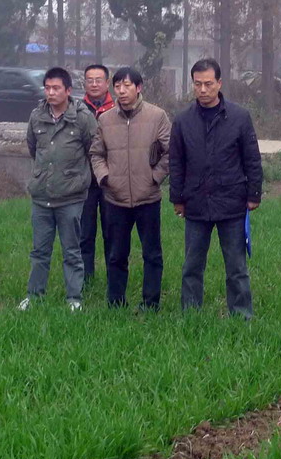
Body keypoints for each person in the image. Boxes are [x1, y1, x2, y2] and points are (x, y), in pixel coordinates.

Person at [169, 58, 263, 319]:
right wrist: (177, 198)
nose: (203, 89)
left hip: (232, 202)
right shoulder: (183, 121)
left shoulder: (239, 117)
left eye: (208, 84)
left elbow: (252, 158)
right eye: (197, 84)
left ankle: (241, 315)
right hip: (195, 203)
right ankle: (190, 314)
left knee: (236, 267)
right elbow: (176, 162)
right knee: (192, 265)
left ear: (219, 83)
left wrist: (254, 193)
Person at [90, 67, 171, 310]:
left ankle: (150, 303)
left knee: (152, 255)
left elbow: (171, 152)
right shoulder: (105, 119)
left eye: (127, 85)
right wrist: (106, 178)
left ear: (139, 87)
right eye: (117, 86)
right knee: (116, 255)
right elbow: (96, 154)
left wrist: (155, 178)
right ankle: (116, 302)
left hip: (148, 197)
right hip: (115, 199)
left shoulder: (157, 116)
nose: (122, 91)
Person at [19, 67, 97, 312]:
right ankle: (34, 296)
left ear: (68, 90)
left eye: (56, 88)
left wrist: (75, 177)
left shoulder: (82, 118)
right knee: (39, 251)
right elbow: (33, 148)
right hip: (42, 196)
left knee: (72, 250)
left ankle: (74, 298)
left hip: (71, 196)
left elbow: (93, 149)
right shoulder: (37, 116)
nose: (51, 93)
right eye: (47, 88)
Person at [80, 64, 115, 286]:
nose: (94, 84)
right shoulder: (77, 110)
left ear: (107, 83)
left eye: (98, 80)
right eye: (90, 80)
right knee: (84, 233)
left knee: (112, 232)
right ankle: (85, 278)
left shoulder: (117, 108)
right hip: (84, 181)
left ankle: (114, 277)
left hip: (110, 180)